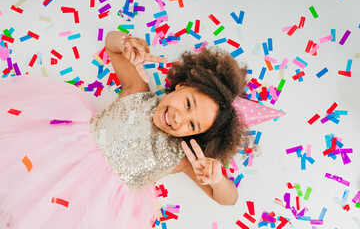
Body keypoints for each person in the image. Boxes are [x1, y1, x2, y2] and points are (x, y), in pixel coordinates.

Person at [0, 30, 284, 229]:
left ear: (195, 135)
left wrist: (217, 179)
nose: (180, 118)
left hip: (94, 205)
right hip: (61, 152)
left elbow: (228, 199)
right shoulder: (139, 90)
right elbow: (112, 45)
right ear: (182, 85)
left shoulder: (184, 157)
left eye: (192, 125)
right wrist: (125, 42)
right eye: (187, 104)